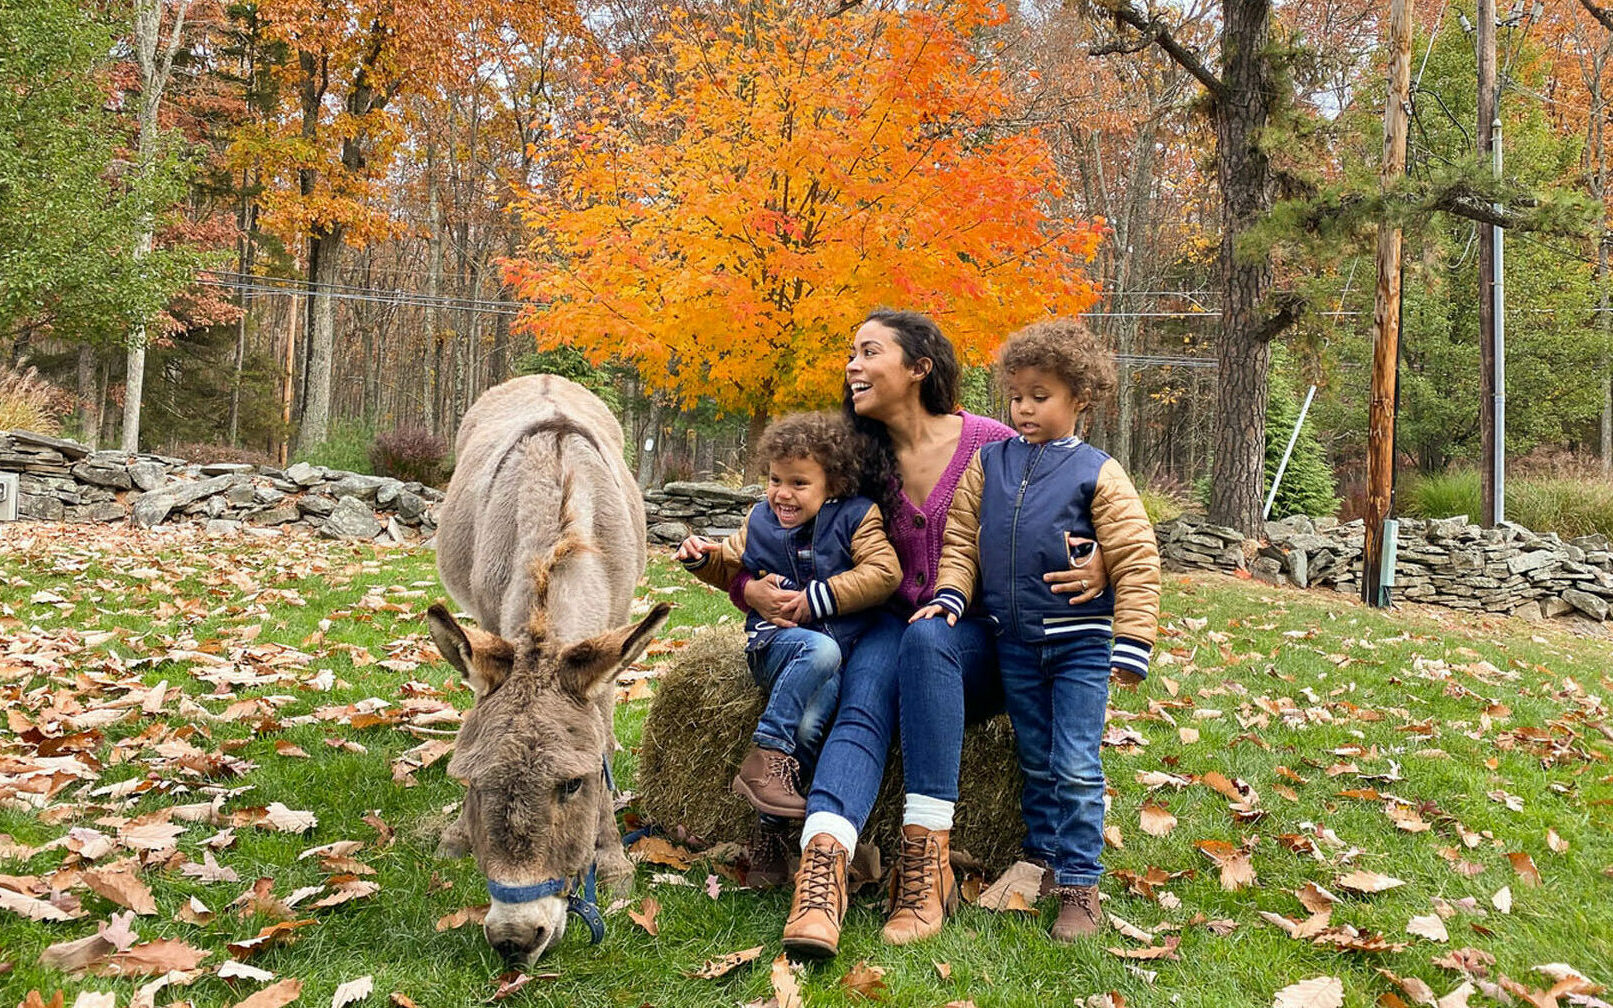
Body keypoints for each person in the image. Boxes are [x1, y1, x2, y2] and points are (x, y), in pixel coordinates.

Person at [734, 309, 1109, 959]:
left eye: (868, 351)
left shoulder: (994, 442)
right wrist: (746, 589)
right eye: (849, 352)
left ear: (918, 367)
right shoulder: (850, 461)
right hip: (886, 628)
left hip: (983, 640)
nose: (851, 363)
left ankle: (923, 860)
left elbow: (1091, 492)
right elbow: (761, 541)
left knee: (927, 639)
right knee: (865, 698)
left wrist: (1102, 556)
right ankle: (821, 879)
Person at [913, 318, 1161, 942]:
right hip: (1013, 643)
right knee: (1034, 756)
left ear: (1080, 397)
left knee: (1074, 762)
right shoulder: (987, 463)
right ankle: (1040, 857)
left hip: (1078, 645)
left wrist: (1131, 642)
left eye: (1040, 395)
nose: (1024, 408)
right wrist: (950, 595)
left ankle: (1081, 882)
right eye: (1016, 395)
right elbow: (963, 540)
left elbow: (1134, 554)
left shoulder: (1097, 473)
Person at [675, 412, 900, 885]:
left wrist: (817, 598)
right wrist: (702, 559)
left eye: (799, 483)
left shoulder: (857, 516)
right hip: (777, 646)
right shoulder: (759, 519)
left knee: (812, 723)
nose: (782, 493)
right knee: (817, 653)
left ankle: (770, 837)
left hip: (837, 650)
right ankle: (765, 749)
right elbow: (729, 564)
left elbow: (884, 573)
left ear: (833, 483)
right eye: (776, 480)